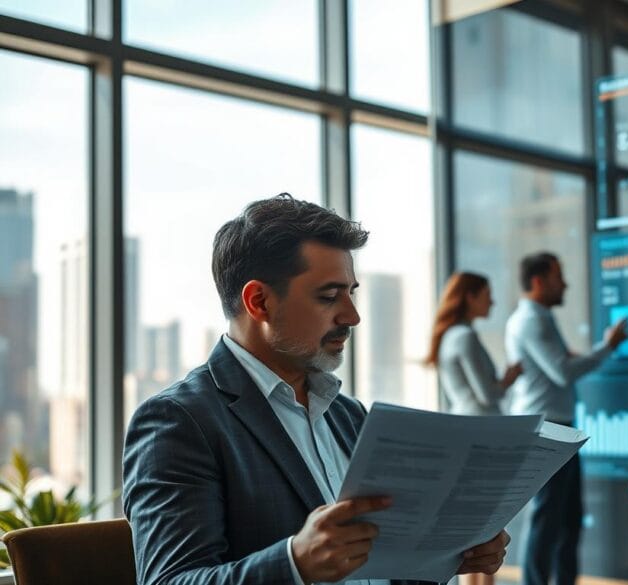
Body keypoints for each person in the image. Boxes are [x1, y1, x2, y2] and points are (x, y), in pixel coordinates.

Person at [123, 194, 510, 585]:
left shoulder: (348, 415)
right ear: (259, 302)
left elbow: (384, 566)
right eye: (329, 296)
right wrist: (294, 564)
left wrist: (446, 554)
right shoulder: (179, 422)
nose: (352, 316)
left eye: (351, 292)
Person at [505, 252, 628, 585]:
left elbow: (556, 364)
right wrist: (608, 347)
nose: (566, 284)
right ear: (538, 281)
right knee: (549, 518)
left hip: (557, 427)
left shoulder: (538, 317)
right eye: (559, 277)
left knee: (568, 518)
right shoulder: (532, 320)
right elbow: (562, 372)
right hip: (546, 431)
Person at [425, 271, 522, 416]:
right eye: (487, 295)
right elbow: (487, 396)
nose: (492, 302)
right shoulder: (465, 336)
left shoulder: (450, 335)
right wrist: (508, 380)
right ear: (470, 298)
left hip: (466, 418)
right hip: (480, 423)